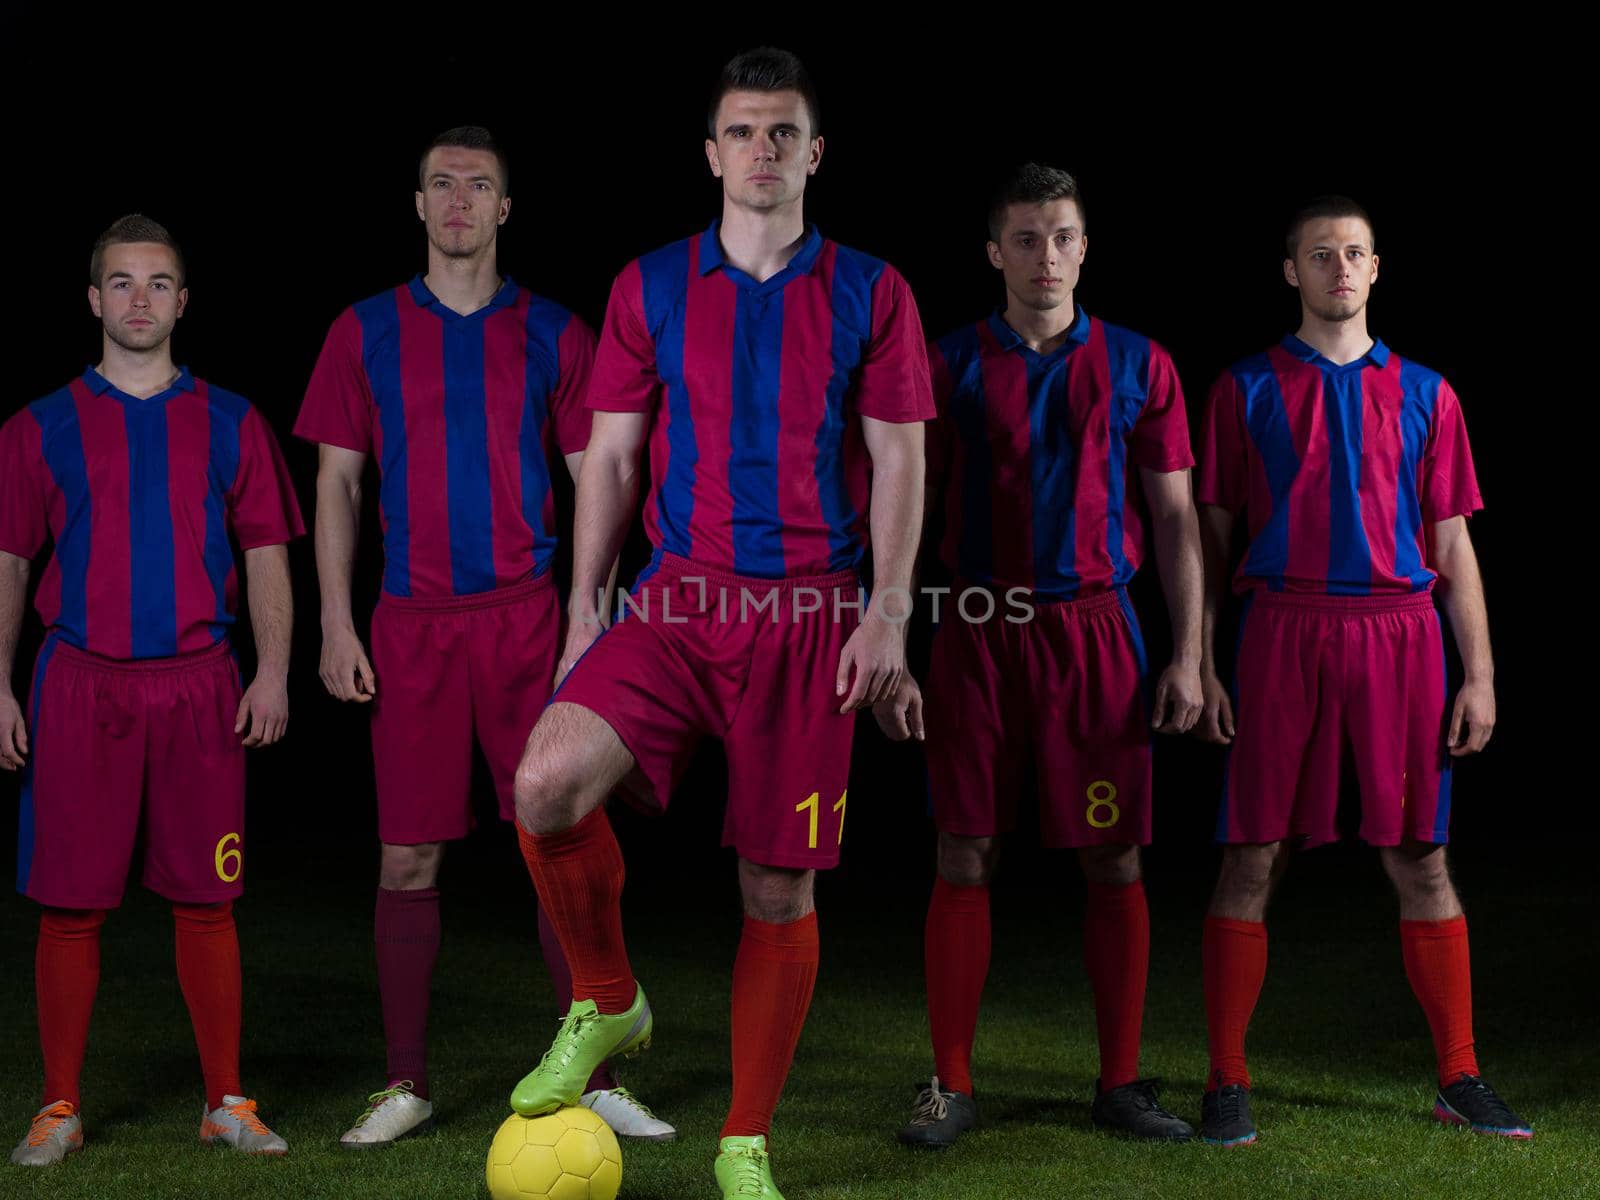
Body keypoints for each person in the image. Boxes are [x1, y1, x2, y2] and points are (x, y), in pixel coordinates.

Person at [506, 48, 933, 1200]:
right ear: (711, 154)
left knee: (775, 891)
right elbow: (611, 456)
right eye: (741, 133)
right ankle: (608, 1001)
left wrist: (887, 620)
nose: (761, 152)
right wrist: (585, 612)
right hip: (679, 599)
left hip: (808, 614)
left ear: (814, 153)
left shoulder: (871, 289)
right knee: (544, 785)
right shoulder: (648, 285)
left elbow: (900, 459)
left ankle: (743, 1139)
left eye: (782, 133)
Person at [295, 126, 672, 1147]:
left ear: (506, 208)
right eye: (441, 183)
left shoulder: (553, 330)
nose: (459, 199)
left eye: (480, 185)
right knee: (407, 857)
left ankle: (590, 1075)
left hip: (526, 622)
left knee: (557, 840)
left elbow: (601, 474)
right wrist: (333, 620)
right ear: (416, 204)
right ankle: (403, 1083)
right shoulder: (362, 329)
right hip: (411, 625)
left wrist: (590, 615)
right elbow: (336, 480)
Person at [1192, 195, 1530, 1146]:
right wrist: (1200, 662)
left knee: (1421, 856)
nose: (1340, 268)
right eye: (1319, 254)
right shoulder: (1246, 388)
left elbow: (1453, 544)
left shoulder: (1428, 392)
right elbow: (1211, 544)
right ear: (1290, 272)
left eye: (1355, 253)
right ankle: (1227, 1080)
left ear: (1377, 269)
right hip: (1283, 629)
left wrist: (1482, 676)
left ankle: (1460, 1076)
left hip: (1401, 634)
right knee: (1253, 852)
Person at [883, 163, 1203, 1149]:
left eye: (1062, 235)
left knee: (1113, 855)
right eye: (1025, 238)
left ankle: (1119, 1084)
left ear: (1084, 246)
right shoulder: (943, 365)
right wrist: (891, 640)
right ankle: (949, 1085)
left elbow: (1178, 520)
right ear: (993, 253)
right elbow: (903, 514)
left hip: (1096, 630)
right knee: (963, 850)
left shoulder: (1142, 364)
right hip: (976, 627)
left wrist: (1189, 654)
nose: (1046, 255)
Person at [1, 214, 302, 1166]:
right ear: (94, 300)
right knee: (69, 905)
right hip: (79, 686)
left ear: (183, 301)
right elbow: (8, 564)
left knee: (207, 902)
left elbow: (265, 556)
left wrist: (274, 670)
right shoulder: (37, 426)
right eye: (122, 283)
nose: (140, 299)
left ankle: (225, 1100)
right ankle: (58, 1105)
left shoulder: (232, 420)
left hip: (199, 687)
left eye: (158, 283)